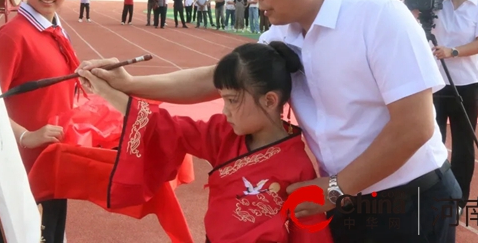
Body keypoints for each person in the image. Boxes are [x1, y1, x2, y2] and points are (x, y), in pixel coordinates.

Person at [78, 0, 462, 242]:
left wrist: (335, 188)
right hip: (342, 197)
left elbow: (414, 126)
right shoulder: (282, 35)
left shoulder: (378, 16)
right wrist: (128, 84)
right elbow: (214, 79)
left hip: (406, 202)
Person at [77, 42, 334, 243]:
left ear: (269, 100)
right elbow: (166, 127)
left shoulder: (298, 167)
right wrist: (107, 92)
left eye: (232, 100)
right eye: (223, 99)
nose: (225, 111)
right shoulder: (223, 134)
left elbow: (310, 235)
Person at [0, 0, 79, 243]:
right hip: (25, 171)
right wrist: (26, 136)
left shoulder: (54, 29)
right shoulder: (13, 37)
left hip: (54, 164)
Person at [409, 0, 478, 214]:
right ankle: (432, 194)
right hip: (434, 84)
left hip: (465, 85)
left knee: (463, 145)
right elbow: (405, 13)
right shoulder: (436, 3)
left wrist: (453, 51)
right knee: (431, 140)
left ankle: (458, 201)